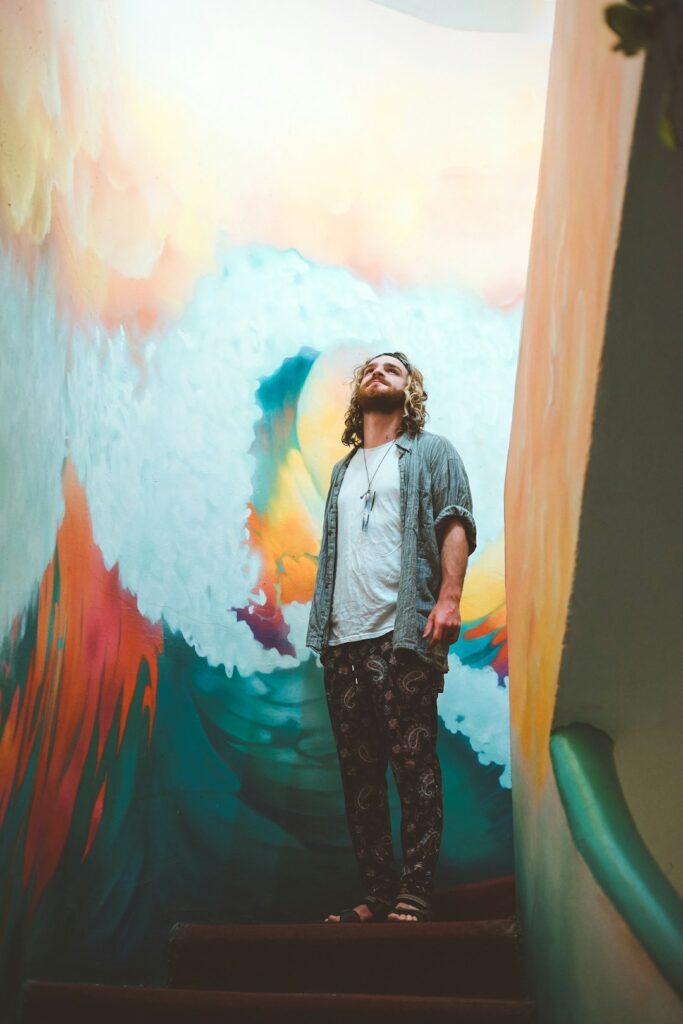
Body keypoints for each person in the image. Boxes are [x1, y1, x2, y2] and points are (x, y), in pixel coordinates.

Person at [306, 351, 476, 923]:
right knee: (360, 778)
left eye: (392, 369)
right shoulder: (342, 471)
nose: (378, 373)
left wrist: (449, 599)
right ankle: (377, 893)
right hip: (342, 643)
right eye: (370, 369)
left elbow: (456, 522)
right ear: (359, 390)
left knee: (413, 766)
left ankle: (415, 891)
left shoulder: (432, 452)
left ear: (411, 390)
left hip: (401, 636)